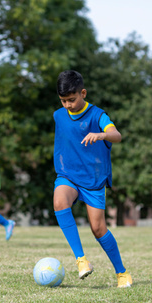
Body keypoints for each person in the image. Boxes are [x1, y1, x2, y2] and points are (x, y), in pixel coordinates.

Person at [52, 70, 132, 288]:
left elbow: (117, 135)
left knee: (98, 229)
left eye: (72, 99)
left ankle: (122, 273)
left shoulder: (98, 115)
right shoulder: (58, 116)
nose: (67, 105)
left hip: (94, 180)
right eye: (63, 101)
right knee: (59, 201)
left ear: (83, 93)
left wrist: (102, 134)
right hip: (68, 175)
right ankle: (81, 260)